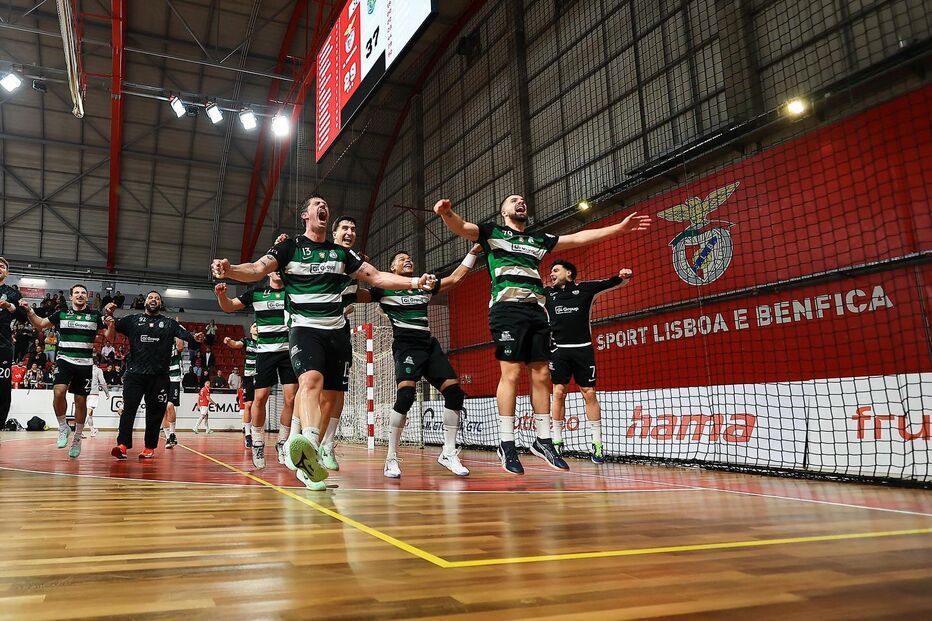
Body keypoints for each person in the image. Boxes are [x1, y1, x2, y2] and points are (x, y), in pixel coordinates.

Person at [211, 194, 437, 490]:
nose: (323, 207)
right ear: (305, 215)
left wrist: (414, 281)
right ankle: (308, 455)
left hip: (337, 332)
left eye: (325, 205)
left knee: (332, 396)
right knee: (311, 382)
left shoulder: (341, 254)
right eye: (317, 205)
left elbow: (377, 277)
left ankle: (312, 446)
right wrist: (229, 270)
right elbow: (255, 269)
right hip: (305, 330)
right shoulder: (289, 247)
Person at [434, 195, 651, 474]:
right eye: (513, 200)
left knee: (542, 374)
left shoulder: (538, 239)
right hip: (506, 310)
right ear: (504, 211)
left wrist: (618, 229)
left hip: (536, 311)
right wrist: (446, 213)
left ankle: (543, 439)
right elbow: (463, 227)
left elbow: (579, 238)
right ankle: (507, 443)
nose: (520, 202)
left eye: (523, 200)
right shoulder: (492, 232)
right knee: (511, 374)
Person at [371, 246, 481, 478]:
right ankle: (391, 457)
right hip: (406, 345)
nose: (408, 260)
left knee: (454, 393)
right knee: (406, 397)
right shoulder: (383, 290)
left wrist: (473, 251)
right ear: (392, 268)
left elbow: (456, 278)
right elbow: (357, 294)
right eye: (402, 259)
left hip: (429, 346)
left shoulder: (424, 286)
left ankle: (448, 452)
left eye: (410, 258)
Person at [545, 261, 632, 463]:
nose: (552, 274)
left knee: (589, 393)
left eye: (555, 270)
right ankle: (556, 442)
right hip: (559, 352)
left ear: (569, 273)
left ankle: (598, 445)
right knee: (558, 392)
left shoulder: (586, 290)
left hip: (583, 350)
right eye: (551, 271)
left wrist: (624, 275)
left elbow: (614, 282)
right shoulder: (547, 294)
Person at [103, 291, 204, 459]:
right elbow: (111, 329)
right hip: (134, 375)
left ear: (160, 304)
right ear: (145, 302)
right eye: (151, 297)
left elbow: (186, 336)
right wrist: (110, 314)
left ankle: (149, 447)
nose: (153, 300)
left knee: (155, 413)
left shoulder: (169, 323)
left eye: (157, 298)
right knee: (128, 410)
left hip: (159, 376)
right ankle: (122, 445)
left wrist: (196, 336)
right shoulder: (132, 320)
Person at [214, 275, 296, 469]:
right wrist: (221, 295)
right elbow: (229, 306)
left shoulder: (294, 290)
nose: (277, 271)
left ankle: (283, 443)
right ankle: (258, 441)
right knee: (260, 398)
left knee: (291, 399)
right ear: (268, 271)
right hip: (265, 352)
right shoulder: (257, 293)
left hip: (288, 351)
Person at [19, 284, 108, 458]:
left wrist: (110, 320)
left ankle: (77, 439)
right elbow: (40, 324)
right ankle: (62, 426)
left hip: (85, 363)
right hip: (65, 359)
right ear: (71, 297)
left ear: (87, 297)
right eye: (77, 293)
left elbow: (109, 335)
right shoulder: (61, 314)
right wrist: (29, 310)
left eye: (83, 293)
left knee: (81, 401)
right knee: (58, 392)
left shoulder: (95, 315)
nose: (80, 295)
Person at [224, 325, 260, 465]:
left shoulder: (265, 342)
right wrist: (229, 341)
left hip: (262, 376)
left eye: (258, 326)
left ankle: (257, 434)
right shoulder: (247, 341)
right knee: (248, 405)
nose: (256, 328)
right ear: (250, 330)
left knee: (259, 405)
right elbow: (236, 344)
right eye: (254, 326)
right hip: (249, 376)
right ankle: (248, 434)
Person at [161, 333, 185, 449]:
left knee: (170, 406)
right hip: (160, 377)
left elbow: (181, 347)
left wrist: (177, 330)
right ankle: (168, 438)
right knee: (162, 410)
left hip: (174, 377)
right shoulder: (158, 343)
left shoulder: (174, 343)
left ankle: (172, 434)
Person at [84, 356, 110, 438]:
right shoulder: (98, 370)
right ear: (98, 363)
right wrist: (107, 392)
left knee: (90, 414)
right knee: (88, 412)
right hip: (93, 393)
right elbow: (102, 382)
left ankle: (92, 430)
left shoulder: (85, 369)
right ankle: (79, 430)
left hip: (84, 392)